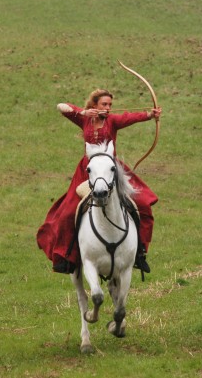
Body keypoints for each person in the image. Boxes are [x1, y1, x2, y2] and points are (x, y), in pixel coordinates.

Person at [37, 89, 162, 275]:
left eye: (110, 105)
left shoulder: (113, 121)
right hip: (87, 172)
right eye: (104, 104)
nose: (108, 108)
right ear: (95, 105)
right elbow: (61, 107)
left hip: (112, 171)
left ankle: (140, 254)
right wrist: (83, 112)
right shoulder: (84, 119)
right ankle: (67, 258)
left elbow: (131, 117)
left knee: (142, 204)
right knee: (66, 214)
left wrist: (150, 114)